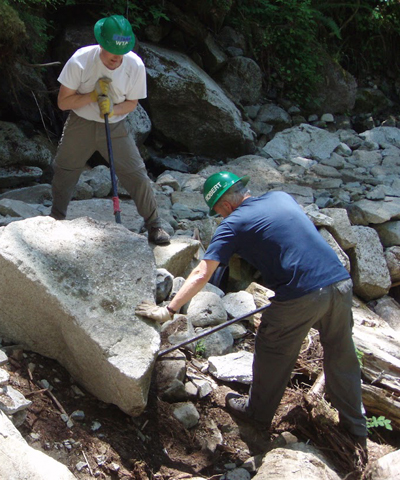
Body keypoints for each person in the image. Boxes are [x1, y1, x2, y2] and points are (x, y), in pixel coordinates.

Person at [135, 171, 368, 447]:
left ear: (224, 205)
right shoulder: (280, 197)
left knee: (271, 347)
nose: (221, 217)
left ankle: (256, 415)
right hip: (339, 282)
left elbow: (201, 273)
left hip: (302, 295)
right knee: (342, 355)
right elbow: (286, 241)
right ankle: (356, 428)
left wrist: (169, 309)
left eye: (218, 212)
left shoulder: (232, 223)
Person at [50, 14, 170, 245]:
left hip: (114, 127)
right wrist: (92, 96)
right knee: (64, 170)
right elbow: (63, 102)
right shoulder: (80, 61)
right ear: (101, 44)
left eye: (121, 53)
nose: (117, 58)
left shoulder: (134, 65)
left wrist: (113, 108)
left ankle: (154, 224)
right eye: (112, 52)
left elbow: (132, 103)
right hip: (80, 124)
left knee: (136, 174)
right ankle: (55, 219)